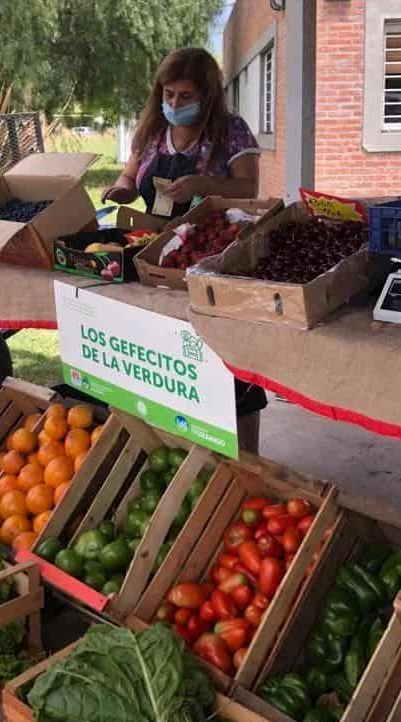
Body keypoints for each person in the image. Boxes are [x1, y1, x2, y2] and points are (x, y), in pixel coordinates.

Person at [102, 47, 267, 451]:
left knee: (227, 366)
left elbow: (249, 189)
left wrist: (203, 185)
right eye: (168, 94)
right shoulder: (153, 132)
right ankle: (179, 450)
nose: (174, 103)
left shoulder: (232, 131)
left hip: (212, 259)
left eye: (185, 96)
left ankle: (246, 462)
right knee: (171, 363)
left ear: (207, 95)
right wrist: (122, 189)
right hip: (157, 262)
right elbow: (129, 173)